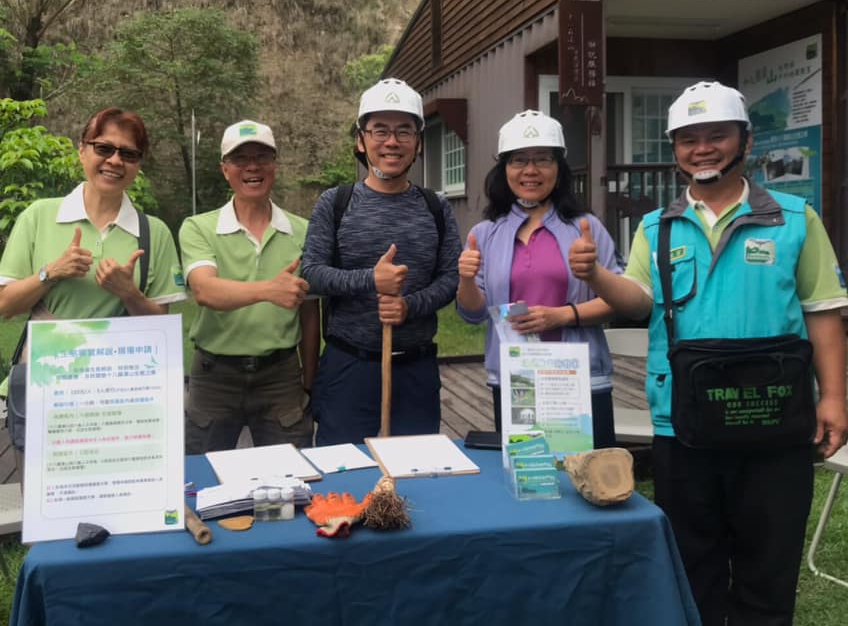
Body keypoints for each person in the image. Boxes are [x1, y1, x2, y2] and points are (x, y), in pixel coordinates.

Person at [568, 81, 848, 626]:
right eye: (688, 139)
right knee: (693, 566)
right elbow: (639, 301)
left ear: (745, 141)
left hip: (774, 420)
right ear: (675, 149)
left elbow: (822, 311)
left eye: (716, 135)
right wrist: (596, 275)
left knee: (769, 567)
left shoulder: (794, 219)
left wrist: (834, 396)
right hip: (684, 424)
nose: (702, 149)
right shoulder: (657, 226)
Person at [0, 107, 188, 463]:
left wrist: (128, 292)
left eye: (128, 154)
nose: (115, 161)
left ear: (138, 165)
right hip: (48, 390)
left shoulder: (154, 232)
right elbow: (6, 305)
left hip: (123, 396)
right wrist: (51, 272)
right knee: (48, 494)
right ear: (82, 150)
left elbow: (160, 324)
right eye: (104, 148)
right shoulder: (39, 216)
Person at [302, 78, 461, 446]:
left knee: (414, 470)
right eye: (380, 130)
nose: (392, 141)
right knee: (343, 470)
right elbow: (312, 273)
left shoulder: (436, 207)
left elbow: (450, 277)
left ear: (418, 142)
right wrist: (370, 280)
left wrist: (409, 306)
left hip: (416, 369)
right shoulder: (335, 203)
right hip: (348, 366)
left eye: (404, 131)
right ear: (361, 140)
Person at [455, 110, 622, 445]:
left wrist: (562, 315)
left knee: (588, 472)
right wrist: (467, 280)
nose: (530, 170)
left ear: (559, 169)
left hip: (578, 378)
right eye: (518, 160)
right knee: (528, 469)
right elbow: (473, 314)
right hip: (518, 379)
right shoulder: (485, 233)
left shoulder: (585, 227)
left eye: (543, 159)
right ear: (504, 169)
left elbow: (617, 301)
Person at [179, 120, 317, 454]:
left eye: (262, 157)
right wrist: (269, 290)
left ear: (274, 165)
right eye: (240, 159)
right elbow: (205, 291)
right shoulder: (198, 228)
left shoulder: (303, 231)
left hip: (281, 377)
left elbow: (311, 313)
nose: (252, 166)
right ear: (224, 169)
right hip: (215, 377)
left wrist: (310, 380)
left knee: (291, 474)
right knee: (203, 474)